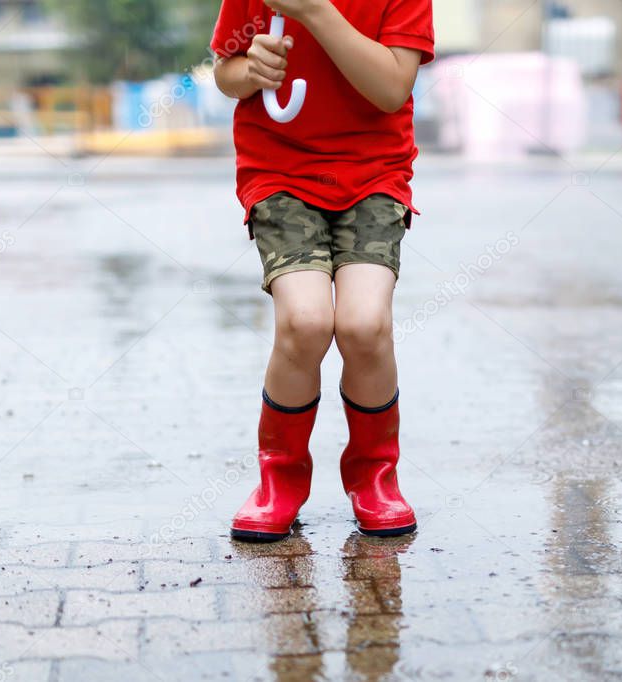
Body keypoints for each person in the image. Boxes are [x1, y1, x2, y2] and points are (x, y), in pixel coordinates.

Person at [211, 0, 434, 541]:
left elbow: (391, 89)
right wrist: (250, 71)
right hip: (280, 173)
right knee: (305, 322)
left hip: (373, 176)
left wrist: (314, 11)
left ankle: (374, 476)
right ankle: (279, 480)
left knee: (364, 325)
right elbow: (226, 70)